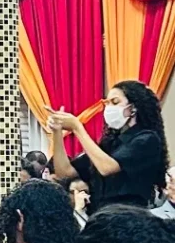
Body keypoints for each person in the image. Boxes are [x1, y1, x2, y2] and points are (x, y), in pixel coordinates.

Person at [50, 80, 169, 213]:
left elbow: (107, 168)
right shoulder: (110, 143)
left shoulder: (147, 139)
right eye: (107, 103)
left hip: (129, 216)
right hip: (100, 214)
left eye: (115, 102)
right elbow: (64, 173)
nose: (109, 108)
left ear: (133, 108)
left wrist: (77, 127)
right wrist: (57, 132)